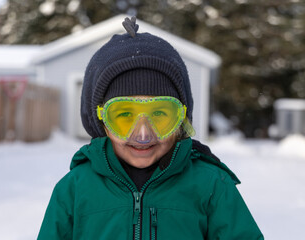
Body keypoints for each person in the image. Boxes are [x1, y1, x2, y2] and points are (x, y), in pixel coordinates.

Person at [37, 16, 264, 240]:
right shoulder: (75, 190)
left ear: (181, 118)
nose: (143, 135)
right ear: (101, 120)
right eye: (124, 115)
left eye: (160, 114)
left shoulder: (212, 186)